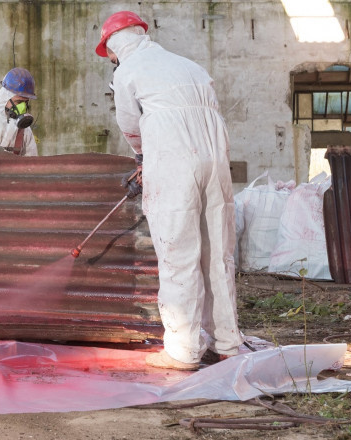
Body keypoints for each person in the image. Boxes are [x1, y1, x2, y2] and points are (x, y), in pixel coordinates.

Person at [96, 11, 243, 370]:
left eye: (109, 53)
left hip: (175, 163)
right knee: (218, 254)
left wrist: (142, 157)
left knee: (179, 253)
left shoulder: (127, 71)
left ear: (113, 47)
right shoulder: (190, 66)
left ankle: (183, 351)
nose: (111, 59)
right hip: (215, 160)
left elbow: (130, 125)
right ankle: (227, 344)